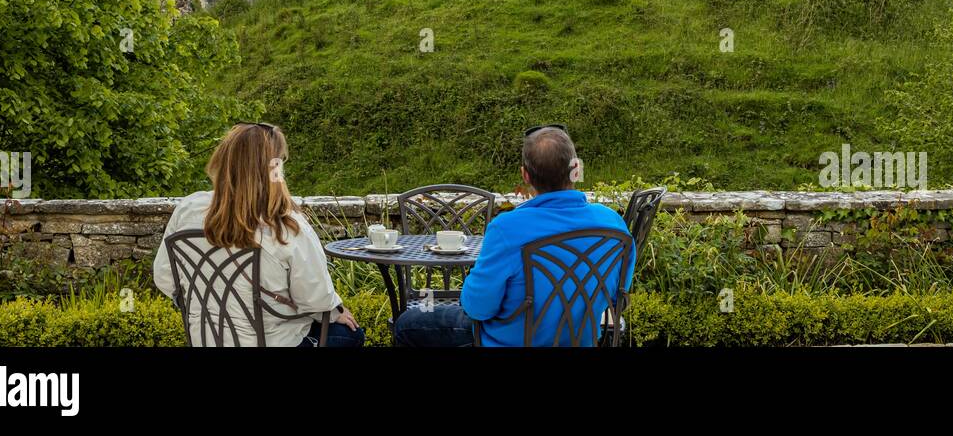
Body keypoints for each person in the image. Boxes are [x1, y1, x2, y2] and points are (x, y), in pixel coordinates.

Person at [392, 126, 633, 347]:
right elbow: (616, 293)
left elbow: (477, 308)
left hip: (508, 342)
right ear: (576, 170)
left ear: (525, 175)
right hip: (580, 341)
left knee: (408, 324)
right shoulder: (613, 224)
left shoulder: (507, 228)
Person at [153, 122, 363, 347]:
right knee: (351, 335)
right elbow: (315, 299)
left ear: (224, 160)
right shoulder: (287, 226)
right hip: (273, 341)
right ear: (274, 168)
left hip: (205, 339)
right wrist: (334, 312)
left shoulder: (189, 209)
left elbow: (165, 279)